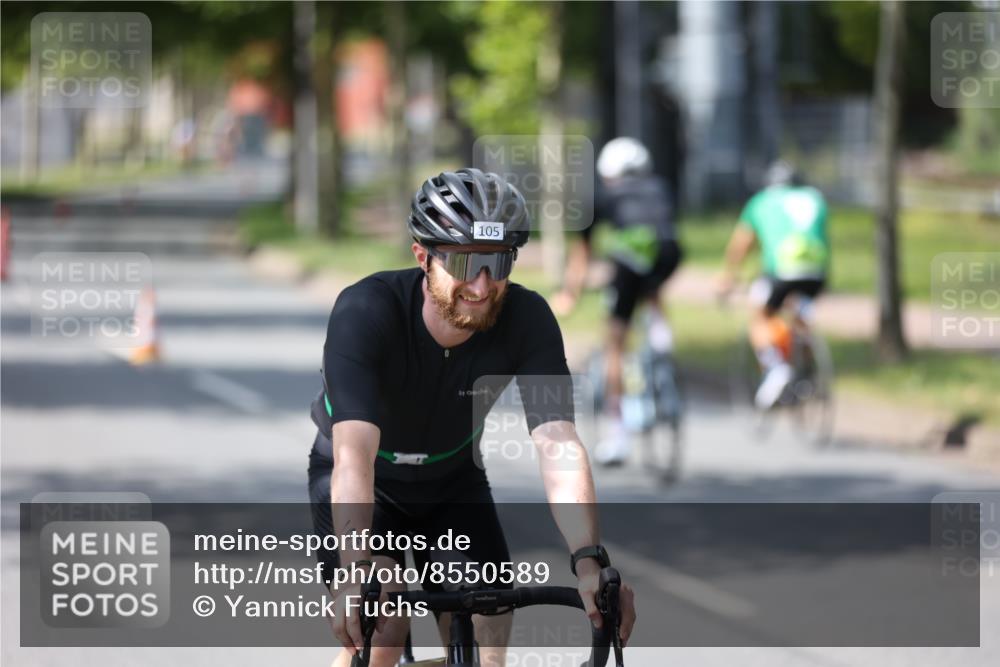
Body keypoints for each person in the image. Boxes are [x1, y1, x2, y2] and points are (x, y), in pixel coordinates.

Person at [308, 168, 636, 667]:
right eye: (464, 262)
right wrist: (354, 572)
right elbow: (354, 455)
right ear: (423, 256)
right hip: (370, 485)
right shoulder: (365, 311)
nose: (482, 286)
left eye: (498, 262)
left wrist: (589, 562)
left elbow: (557, 442)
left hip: (452, 482)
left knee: (488, 634)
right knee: (383, 626)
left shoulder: (527, 318)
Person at [551, 137, 683, 466]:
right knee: (651, 287)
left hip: (629, 260)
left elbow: (582, 254)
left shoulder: (603, 195)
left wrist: (570, 294)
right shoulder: (660, 188)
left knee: (615, 342)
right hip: (669, 253)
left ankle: (618, 433)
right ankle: (660, 337)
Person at [716, 160, 831, 409]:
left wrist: (728, 277)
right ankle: (807, 372)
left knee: (759, 312)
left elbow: (741, 244)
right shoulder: (815, 198)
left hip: (781, 270)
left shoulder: (762, 201)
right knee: (799, 312)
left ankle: (776, 367)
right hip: (816, 272)